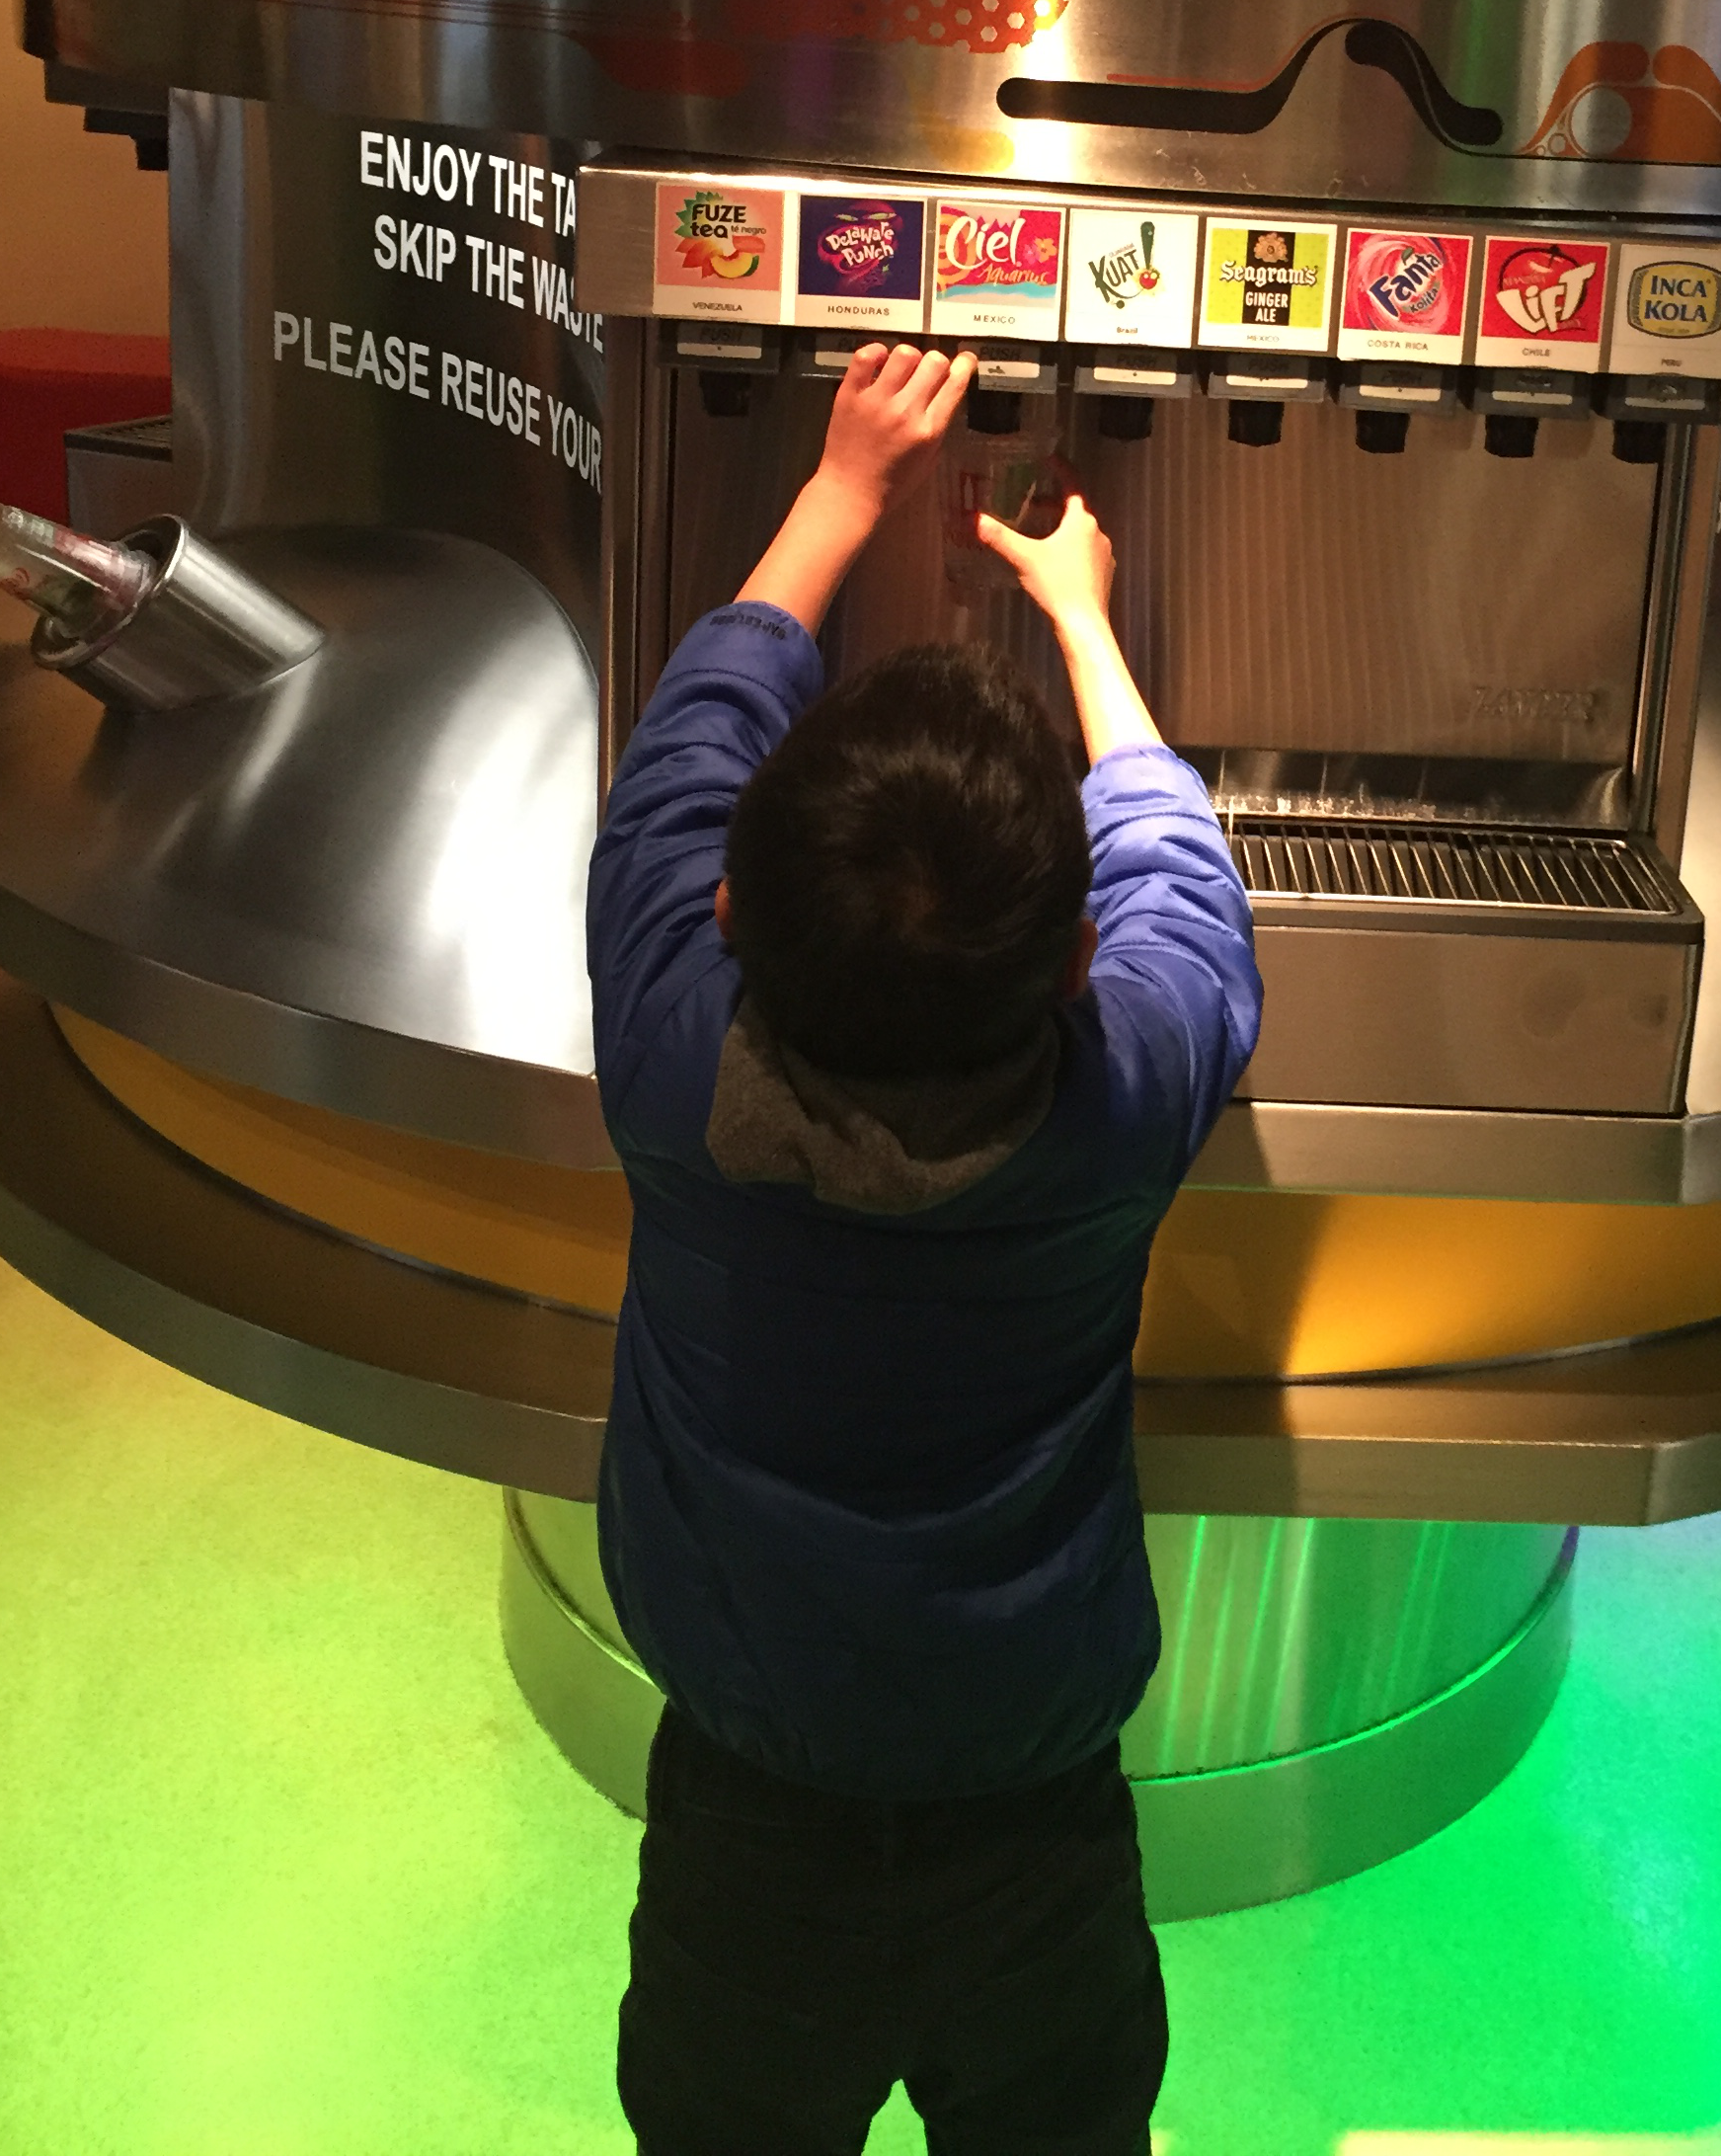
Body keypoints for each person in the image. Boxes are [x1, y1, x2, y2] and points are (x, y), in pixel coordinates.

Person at [587, 339, 1262, 2153]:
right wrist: (1078, 614)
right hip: (1031, 1822)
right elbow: (1179, 867)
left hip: (744, 1811)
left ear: (727, 913)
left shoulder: (665, 1057)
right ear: (1067, 971)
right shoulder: (1121, 1101)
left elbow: (683, 748)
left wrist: (838, 485)